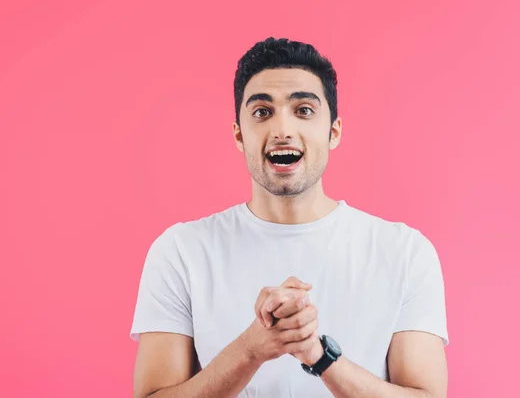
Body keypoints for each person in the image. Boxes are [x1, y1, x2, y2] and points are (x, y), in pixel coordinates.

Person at [130, 37, 449, 397]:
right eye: (262, 112)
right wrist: (250, 350)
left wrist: (318, 356)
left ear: (334, 132)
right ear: (239, 134)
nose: (282, 130)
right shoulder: (180, 252)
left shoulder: (404, 252)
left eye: (304, 110)